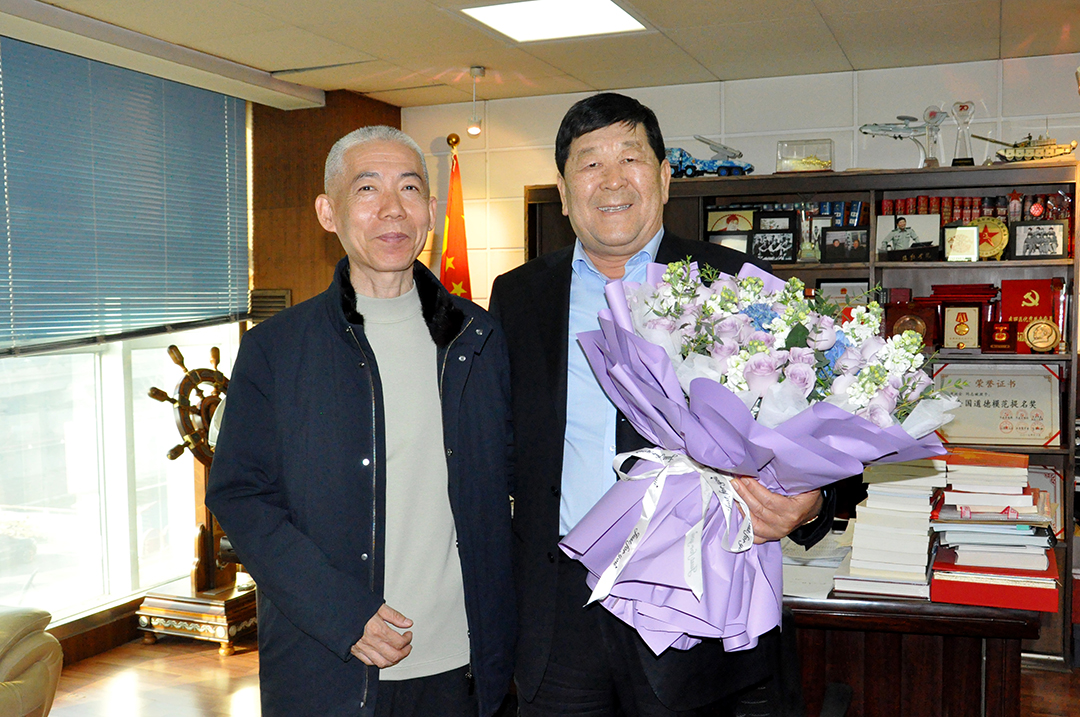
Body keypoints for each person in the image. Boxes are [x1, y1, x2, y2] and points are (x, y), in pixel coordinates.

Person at [489, 93, 834, 717]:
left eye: (631, 158)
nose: (612, 180)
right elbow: (503, 444)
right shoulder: (518, 295)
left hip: (691, 600)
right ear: (563, 193)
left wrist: (811, 502)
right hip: (557, 611)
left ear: (665, 177)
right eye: (589, 164)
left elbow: (820, 421)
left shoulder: (734, 282)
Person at [206, 126, 515, 717]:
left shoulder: (477, 338)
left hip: (464, 662)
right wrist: (343, 614)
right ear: (329, 212)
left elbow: (517, 475)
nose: (393, 208)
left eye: (409, 188)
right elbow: (240, 497)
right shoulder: (277, 349)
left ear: (430, 210)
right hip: (331, 660)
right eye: (367, 188)